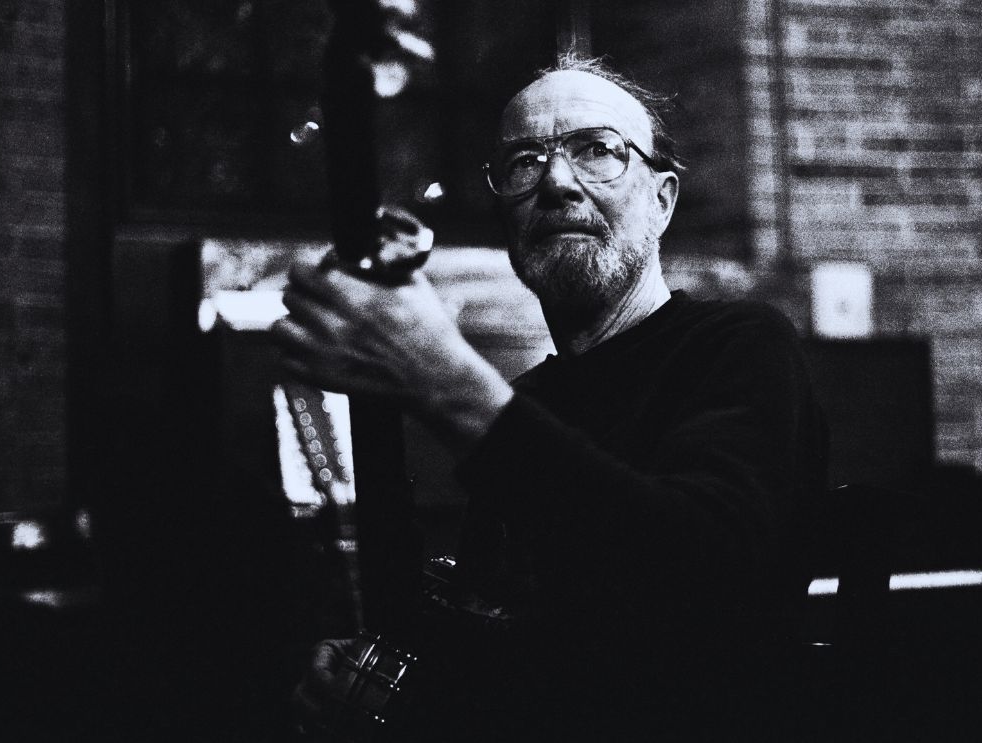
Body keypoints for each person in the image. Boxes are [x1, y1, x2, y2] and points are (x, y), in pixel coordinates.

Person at [274, 54, 827, 741]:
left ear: (662, 200)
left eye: (598, 151)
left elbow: (696, 589)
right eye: (524, 162)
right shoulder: (532, 398)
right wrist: (385, 679)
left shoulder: (739, 345)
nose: (557, 182)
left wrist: (445, 381)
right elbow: (532, 651)